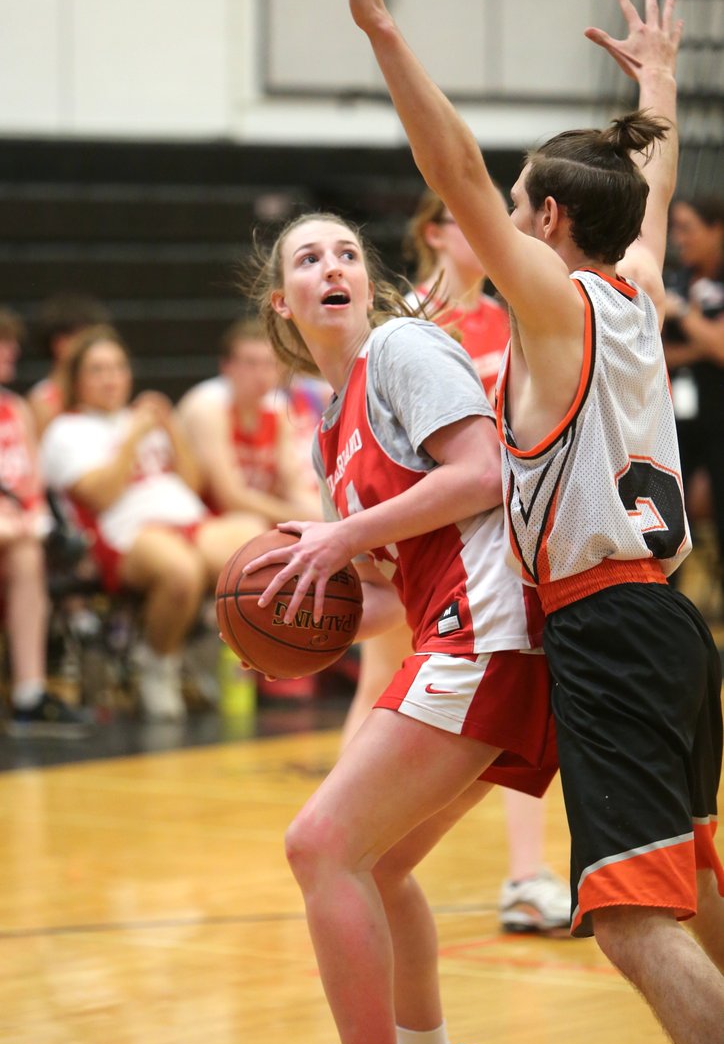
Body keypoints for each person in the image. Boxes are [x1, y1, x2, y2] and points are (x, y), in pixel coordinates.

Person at [346, 0, 724, 1044]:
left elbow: (453, 169)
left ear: (547, 224)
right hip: (669, 620)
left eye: (518, 207)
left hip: (607, 626)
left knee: (630, 921)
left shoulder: (555, 304)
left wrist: (383, 33)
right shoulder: (635, 288)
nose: (497, 214)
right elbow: (647, 197)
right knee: (696, 888)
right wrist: (656, 83)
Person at [236, 201, 562, 1044]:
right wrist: (297, 632)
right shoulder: (326, 424)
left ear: (364, 281)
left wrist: (332, 538)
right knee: (373, 864)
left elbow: (479, 475)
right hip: (458, 635)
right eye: (308, 257)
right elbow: (380, 593)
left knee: (319, 844)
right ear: (282, 302)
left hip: (489, 637)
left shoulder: (407, 351)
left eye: (345, 252)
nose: (331, 265)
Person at [351, 186, 571, 934]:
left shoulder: (508, 320)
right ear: (435, 232)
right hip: (420, 535)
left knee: (509, 706)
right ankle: (347, 843)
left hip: (496, 537)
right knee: (380, 685)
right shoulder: (408, 322)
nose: (493, 232)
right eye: (470, 221)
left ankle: (524, 875)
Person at [40, 325, 265, 721]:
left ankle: (208, 648)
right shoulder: (66, 431)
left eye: (118, 368)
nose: (111, 378)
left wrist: (171, 430)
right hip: (125, 534)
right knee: (181, 570)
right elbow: (102, 494)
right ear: (76, 379)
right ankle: (157, 663)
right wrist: (133, 438)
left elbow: (193, 485)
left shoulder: (141, 418)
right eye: (98, 370)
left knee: (256, 544)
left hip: (186, 519)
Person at [0, 307, 92, 737]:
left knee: (26, 553)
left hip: (17, 536)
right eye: (2, 342)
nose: (11, 350)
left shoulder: (14, 408)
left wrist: (32, 519)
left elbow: (33, 486)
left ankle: (29, 695)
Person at [177, 317, 322, 525]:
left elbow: (293, 486)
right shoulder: (208, 406)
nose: (261, 374)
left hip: (252, 515)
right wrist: (304, 518)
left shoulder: (279, 408)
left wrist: (328, 518)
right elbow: (229, 497)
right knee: (254, 528)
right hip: (200, 517)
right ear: (227, 366)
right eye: (250, 363)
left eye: (269, 364)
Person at [663, 195, 724, 598]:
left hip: (719, 425)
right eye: (675, 228)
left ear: (716, 228)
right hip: (675, 429)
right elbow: (656, 354)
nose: (677, 238)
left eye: (687, 227)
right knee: (670, 531)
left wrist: (682, 314)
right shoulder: (675, 279)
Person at [27, 291, 110, 436]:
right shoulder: (43, 399)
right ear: (59, 342)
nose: (90, 346)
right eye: (83, 338)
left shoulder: (96, 390)